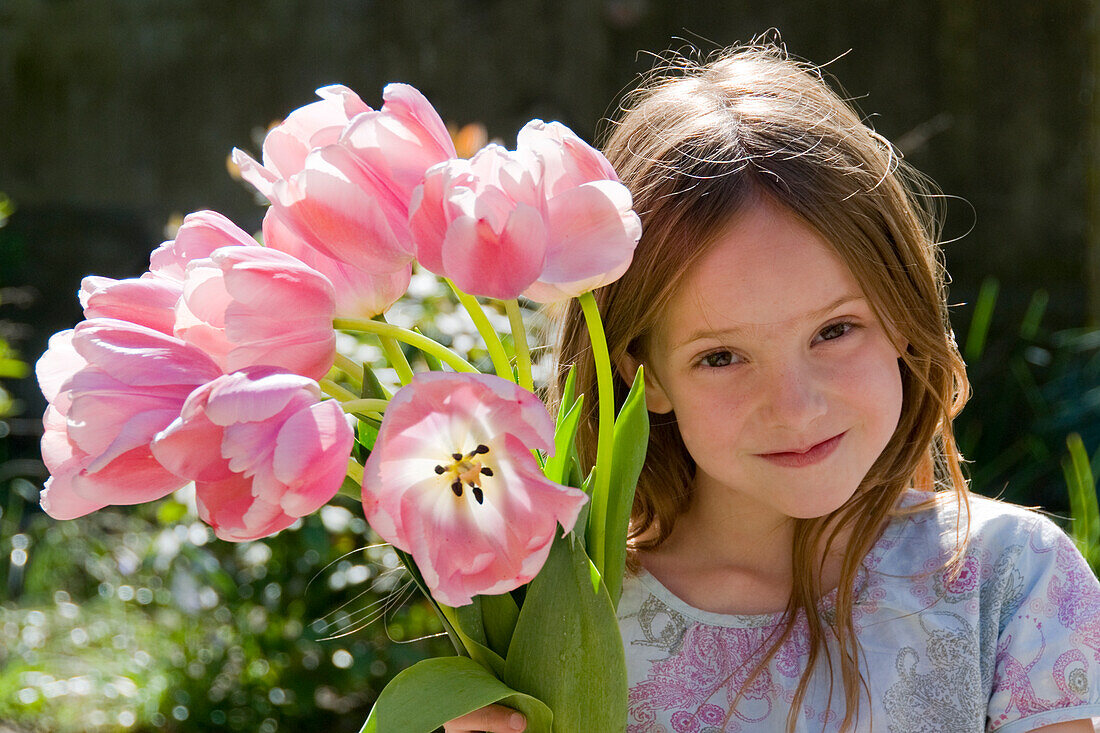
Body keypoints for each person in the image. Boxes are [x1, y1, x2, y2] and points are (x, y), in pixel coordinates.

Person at [445, 42, 1100, 732]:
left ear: (902, 316)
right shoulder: (561, 621)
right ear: (643, 373)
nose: (795, 405)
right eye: (722, 355)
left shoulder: (1010, 583)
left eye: (834, 330)